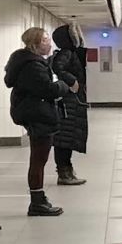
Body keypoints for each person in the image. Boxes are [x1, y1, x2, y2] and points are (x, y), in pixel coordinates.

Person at [5, 27, 70, 216]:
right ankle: (37, 201)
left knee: (38, 158)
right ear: (35, 44)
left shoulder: (27, 62)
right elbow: (47, 89)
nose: (49, 43)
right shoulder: (32, 65)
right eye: (45, 40)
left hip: (34, 112)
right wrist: (62, 85)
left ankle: (39, 198)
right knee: (38, 159)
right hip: (38, 114)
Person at [49, 24, 89, 186]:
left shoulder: (69, 53)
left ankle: (67, 170)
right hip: (69, 102)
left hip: (72, 101)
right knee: (65, 138)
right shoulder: (67, 53)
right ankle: (64, 172)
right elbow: (57, 67)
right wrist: (72, 81)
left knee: (68, 137)